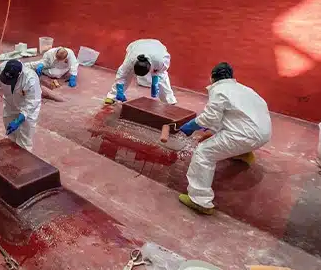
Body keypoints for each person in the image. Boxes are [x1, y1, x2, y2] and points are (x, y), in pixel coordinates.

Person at [177, 63, 272, 215]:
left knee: (203, 153)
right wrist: (211, 132)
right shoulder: (245, 89)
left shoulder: (219, 90)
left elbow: (210, 118)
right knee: (227, 136)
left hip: (244, 136)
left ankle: (199, 200)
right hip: (264, 133)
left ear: (212, 77)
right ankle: (244, 154)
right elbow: (229, 117)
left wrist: (190, 126)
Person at [0, 59, 41, 150]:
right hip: (9, 103)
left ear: (19, 76)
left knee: (25, 138)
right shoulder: (0, 68)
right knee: (10, 131)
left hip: (27, 107)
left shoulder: (30, 79)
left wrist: (18, 120)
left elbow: (32, 102)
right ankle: (12, 153)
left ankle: (23, 160)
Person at [105, 39, 176, 105]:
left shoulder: (160, 61)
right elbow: (122, 74)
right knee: (126, 73)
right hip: (136, 46)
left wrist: (155, 81)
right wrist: (119, 90)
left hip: (157, 47)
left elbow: (160, 71)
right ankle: (112, 96)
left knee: (162, 78)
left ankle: (169, 100)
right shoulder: (130, 60)